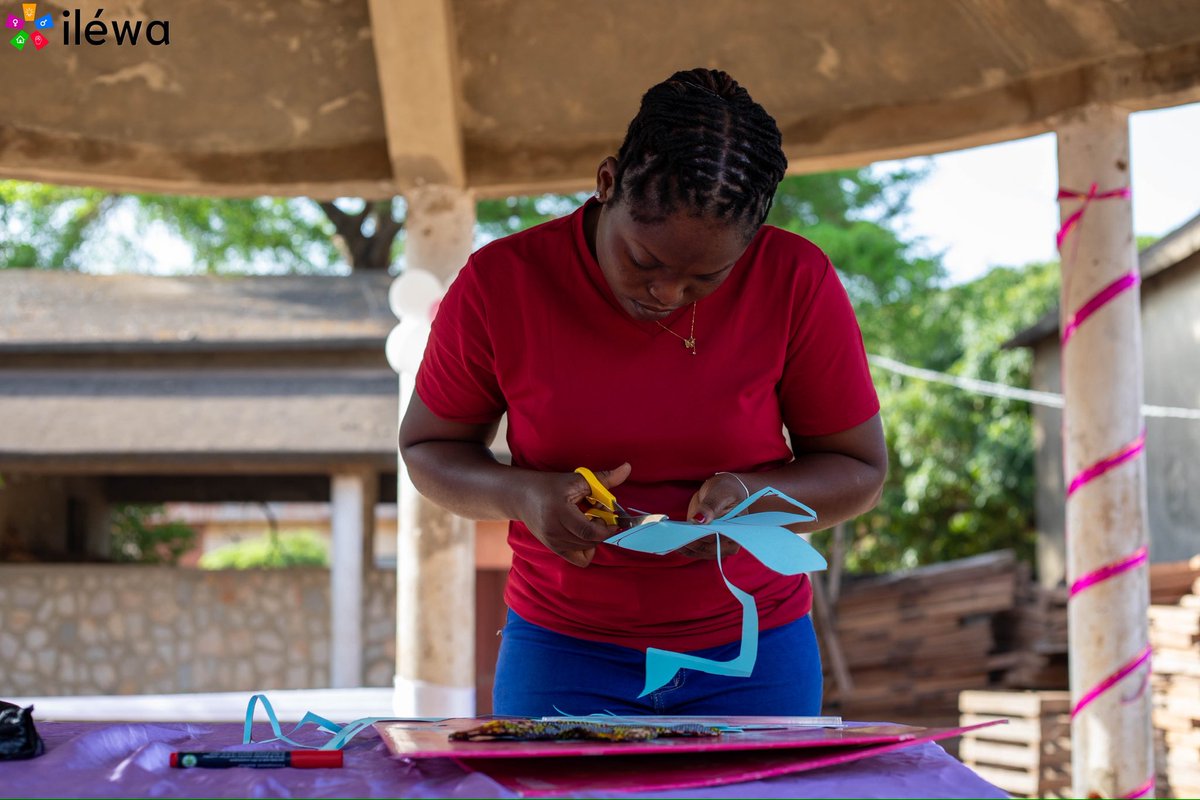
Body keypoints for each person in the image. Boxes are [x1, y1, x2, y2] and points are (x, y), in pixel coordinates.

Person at [399, 68, 886, 717]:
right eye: (644, 261)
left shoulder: (795, 280)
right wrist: (523, 495)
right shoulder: (502, 283)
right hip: (563, 652)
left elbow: (859, 469)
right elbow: (428, 449)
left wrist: (755, 502)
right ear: (607, 182)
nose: (666, 294)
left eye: (706, 277)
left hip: (752, 653)